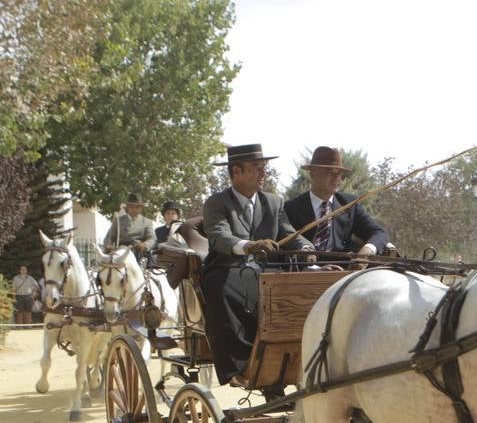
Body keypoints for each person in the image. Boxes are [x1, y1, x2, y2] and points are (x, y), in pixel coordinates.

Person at [202, 143, 312, 388]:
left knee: (298, 287)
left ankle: (289, 359)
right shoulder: (217, 203)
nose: (263, 173)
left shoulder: (274, 202)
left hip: (266, 271)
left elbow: (290, 234)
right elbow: (219, 236)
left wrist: (306, 249)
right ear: (236, 172)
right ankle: (239, 366)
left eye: (264, 167)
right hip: (227, 267)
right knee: (225, 288)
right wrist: (248, 245)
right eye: (257, 167)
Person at [284, 147, 390, 260]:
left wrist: (369, 249)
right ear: (312, 174)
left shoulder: (349, 205)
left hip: (342, 272)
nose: (336, 178)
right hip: (304, 273)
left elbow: (379, 233)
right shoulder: (291, 208)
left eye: (339, 173)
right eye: (329, 172)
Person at [153, 201, 182, 266]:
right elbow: (154, 247)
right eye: (167, 213)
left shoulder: (183, 229)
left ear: (177, 216)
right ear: (164, 216)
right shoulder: (158, 231)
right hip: (162, 262)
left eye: (173, 213)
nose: (170, 216)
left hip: (179, 262)